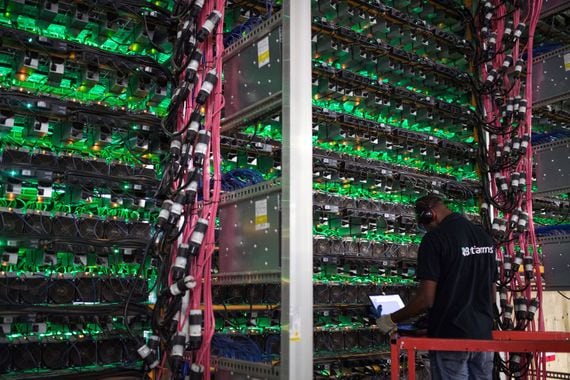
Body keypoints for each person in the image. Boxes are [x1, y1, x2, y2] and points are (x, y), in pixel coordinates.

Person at [375, 194, 497, 380]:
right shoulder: (483, 237)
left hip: (451, 337)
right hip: (483, 335)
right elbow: (491, 291)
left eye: (423, 223)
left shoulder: (435, 239)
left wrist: (391, 319)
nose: (424, 228)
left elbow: (425, 299)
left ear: (428, 215)